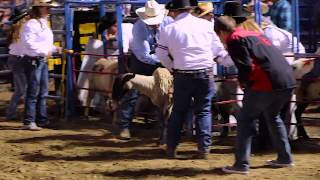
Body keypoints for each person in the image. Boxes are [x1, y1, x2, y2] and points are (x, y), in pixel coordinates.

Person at [214, 16, 295, 174]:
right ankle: (285, 158)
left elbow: (245, 67)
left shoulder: (234, 39)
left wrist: (243, 82)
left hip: (266, 83)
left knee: (245, 119)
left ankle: (241, 164)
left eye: (219, 36)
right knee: (273, 116)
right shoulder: (254, 34)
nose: (221, 40)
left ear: (222, 32)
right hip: (287, 80)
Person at [156, 0, 217, 159]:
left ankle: (171, 147)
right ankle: (204, 149)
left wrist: (172, 68)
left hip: (182, 73)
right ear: (190, 9)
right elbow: (216, 49)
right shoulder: (206, 25)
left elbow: (161, 54)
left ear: (174, 11)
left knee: (178, 111)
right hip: (205, 72)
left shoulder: (168, 29)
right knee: (203, 110)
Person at [117, 0, 173, 140]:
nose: (156, 24)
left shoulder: (169, 22)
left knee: (165, 94)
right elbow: (144, 54)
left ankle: (163, 129)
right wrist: (165, 60)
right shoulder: (138, 27)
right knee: (132, 90)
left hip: (163, 60)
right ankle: (125, 126)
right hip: (143, 62)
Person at [20, 0, 61, 130]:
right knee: (34, 91)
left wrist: (54, 48)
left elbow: (43, 43)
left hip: (41, 60)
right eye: (47, 7)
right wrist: (45, 51)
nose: (50, 10)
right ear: (39, 8)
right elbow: (28, 43)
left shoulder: (42, 23)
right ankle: (29, 120)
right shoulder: (32, 24)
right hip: (34, 59)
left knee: (42, 91)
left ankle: (41, 119)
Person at [77, 12, 133, 108]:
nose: (109, 32)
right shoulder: (127, 26)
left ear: (114, 25)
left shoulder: (121, 32)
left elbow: (122, 51)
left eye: (108, 29)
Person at [6, 13, 28, 120]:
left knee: (21, 89)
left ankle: (12, 113)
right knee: (22, 89)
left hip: (16, 59)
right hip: (18, 60)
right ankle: (12, 113)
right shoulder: (21, 30)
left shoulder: (16, 30)